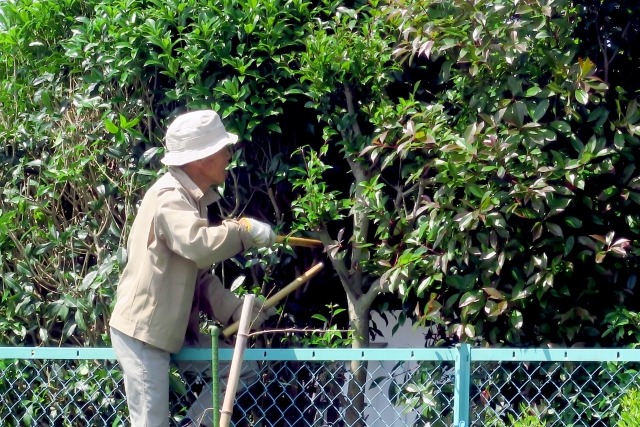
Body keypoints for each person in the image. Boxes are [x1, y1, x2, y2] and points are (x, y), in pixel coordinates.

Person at [109, 109, 276, 427]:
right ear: (201, 158)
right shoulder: (170, 196)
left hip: (172, 331)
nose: (229, 156)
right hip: (145, 334)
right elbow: (199, 246)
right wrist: (243, 232)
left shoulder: (190, 197)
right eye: (223, 149)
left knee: (243, 365)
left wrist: (235, 310)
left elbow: (194, 274)